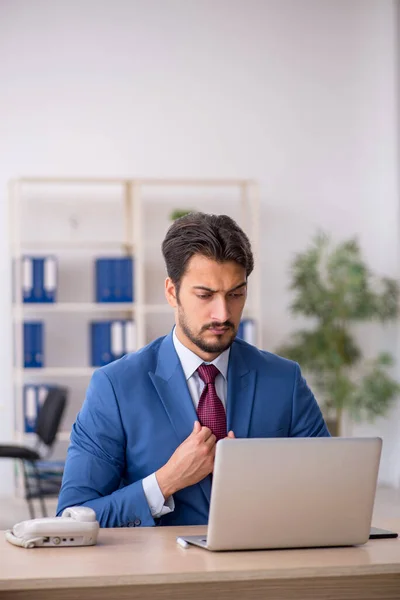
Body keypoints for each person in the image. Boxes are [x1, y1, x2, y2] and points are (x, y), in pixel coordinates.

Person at [57, 212, 330, 527]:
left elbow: (330, 491)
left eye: (236, 294)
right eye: (205, 295)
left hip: (262, 568)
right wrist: (164, 482)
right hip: (160, 573)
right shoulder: (115, 387)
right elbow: (72, 518)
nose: (223, 313)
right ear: (172, 292)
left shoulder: (284, 380)